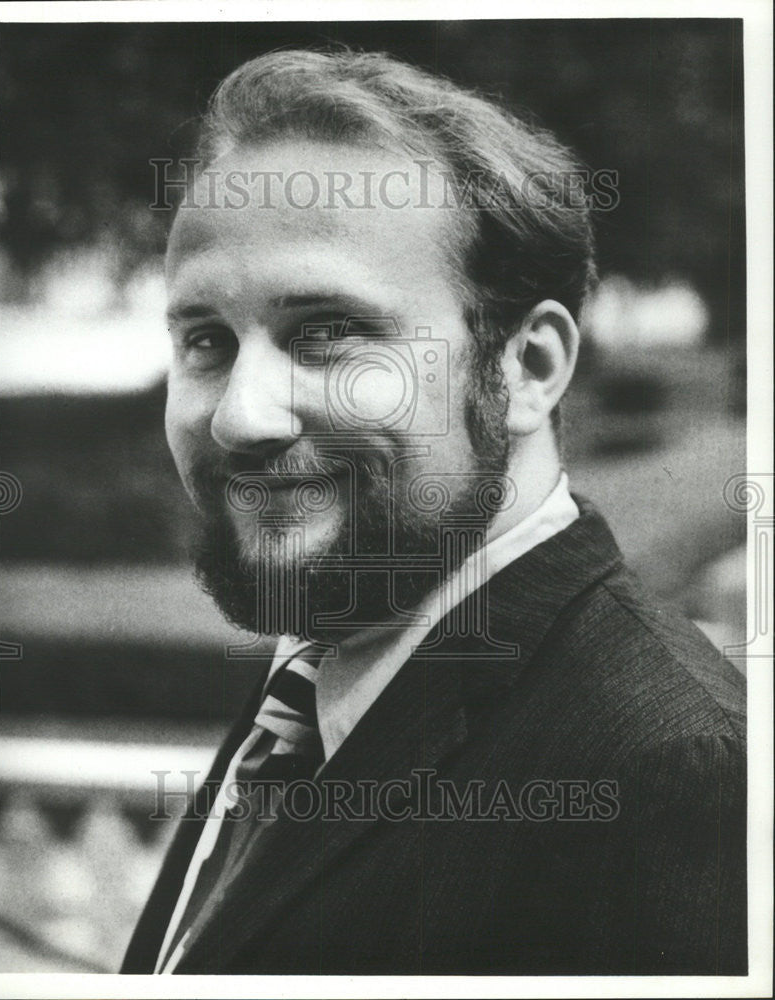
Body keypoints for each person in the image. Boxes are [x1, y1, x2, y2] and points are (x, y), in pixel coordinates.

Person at [121, 49, 746, 976]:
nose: (241, 416)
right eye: (206, 340)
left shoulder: (668, 773)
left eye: (329, 334)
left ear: (526, 368)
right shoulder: (322, 672)